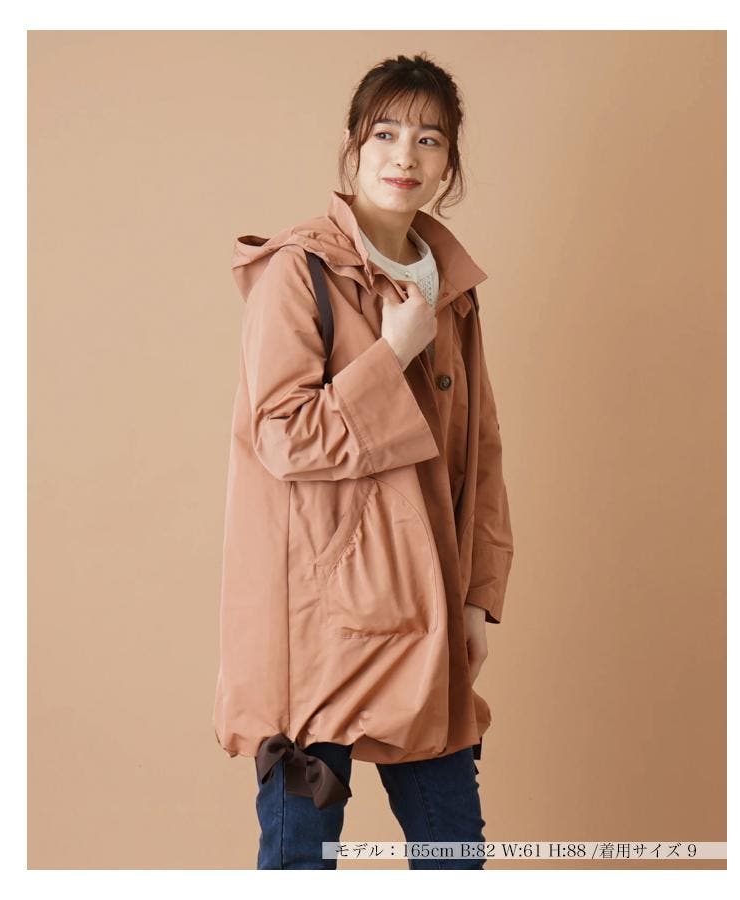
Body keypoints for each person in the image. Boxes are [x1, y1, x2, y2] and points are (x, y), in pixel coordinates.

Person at [212, 52, 514, 870]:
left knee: (453, 857)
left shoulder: (451, 286)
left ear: (449, 163)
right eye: (385, 133)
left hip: (426, 615)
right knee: (301, 861)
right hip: (318, 629)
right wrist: (390, 355)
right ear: (353, 146)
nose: (404, 155)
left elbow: (478, 453)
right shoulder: (297, 272)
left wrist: (477, 599)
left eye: (429, 139)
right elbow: (284, 436)